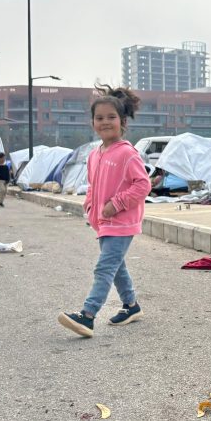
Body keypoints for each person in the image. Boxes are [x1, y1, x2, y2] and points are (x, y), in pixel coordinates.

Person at [58, 85, 151, 338]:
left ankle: (87, 316)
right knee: (116, 267)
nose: (105, 122)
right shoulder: (94, 155)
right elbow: (93, 185)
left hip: (122, 223)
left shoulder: (127, 153)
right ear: (93, 123)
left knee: (104, 268)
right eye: (99, 118)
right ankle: (131, 306)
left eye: (111, 117)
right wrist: (90, 205)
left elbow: (143, 185)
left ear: (123, 122)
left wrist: (116, 204)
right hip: (103, 222)